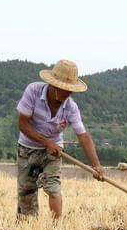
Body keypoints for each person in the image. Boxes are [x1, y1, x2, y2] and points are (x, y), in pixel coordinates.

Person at [15, 59, 106, 218]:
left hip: (54, 151)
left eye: (70, 91)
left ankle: (56, 228)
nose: (67, 94)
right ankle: (27, 228)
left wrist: (96, 166)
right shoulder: (33, 91)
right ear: (53, 85)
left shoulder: (71, 107)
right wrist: (46, 142)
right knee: (27, 190)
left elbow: (83, 136)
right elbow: (23, 124)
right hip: (27, 148)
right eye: (64, 90)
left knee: (53, 188)